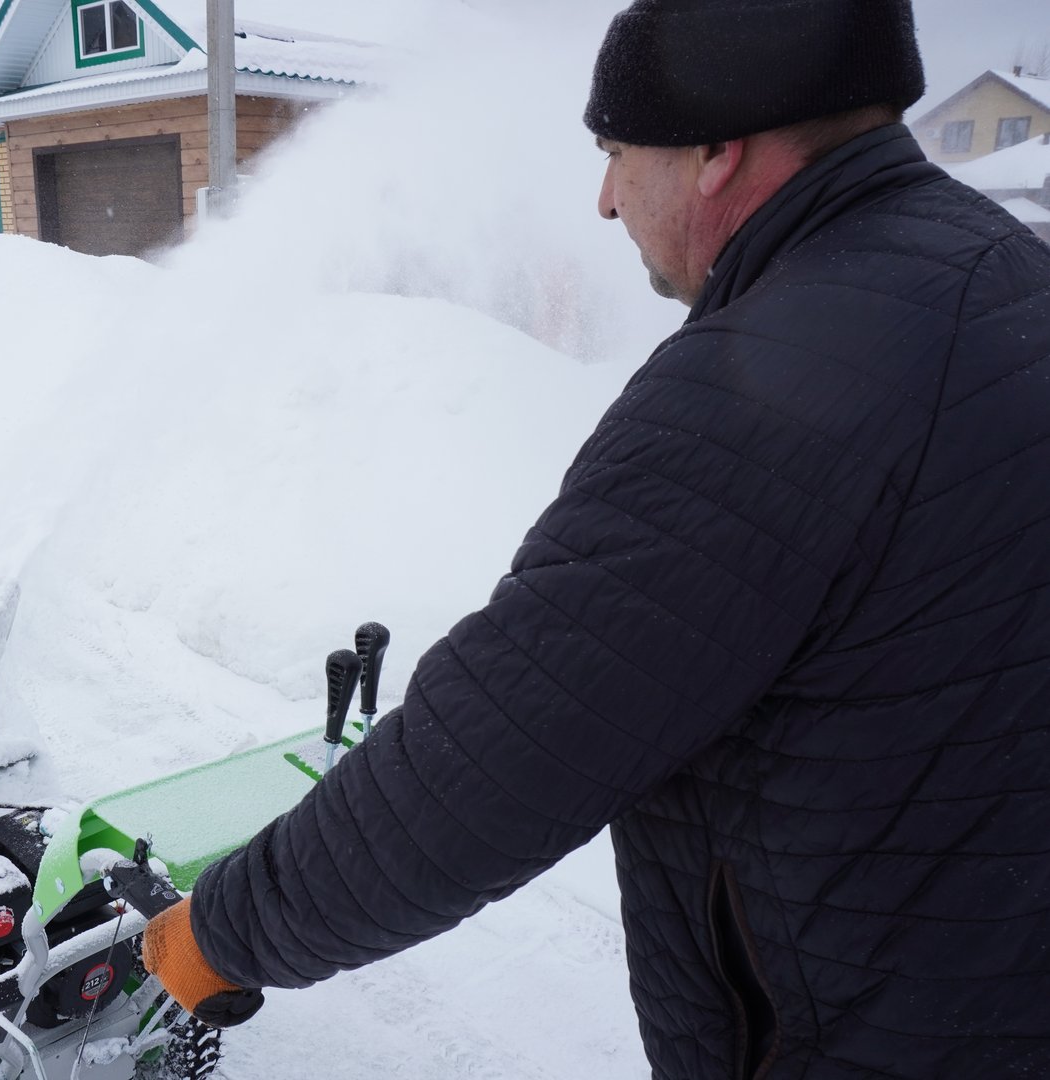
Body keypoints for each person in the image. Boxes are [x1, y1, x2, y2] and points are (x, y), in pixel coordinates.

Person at [141, 1, 1050, 1076]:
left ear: (717, 149)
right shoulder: (1006, 278)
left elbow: (493, 757)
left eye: (618, 153)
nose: (606, 198)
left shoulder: (765, 391)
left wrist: (217, 934)